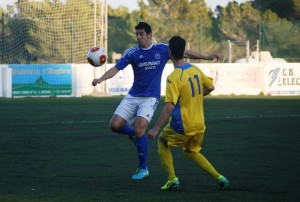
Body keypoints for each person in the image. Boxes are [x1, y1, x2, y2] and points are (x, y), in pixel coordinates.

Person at [92, 22, 219, 180]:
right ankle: (134, 135)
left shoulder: (162, 49)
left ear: (150, 35)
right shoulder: (132, 52)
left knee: (140, 129)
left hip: (151, 97)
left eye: (141, 34)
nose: (138, 37)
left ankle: (143, 168)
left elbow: (185, 53)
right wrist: (100, 79)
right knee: (114, 126)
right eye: (137, 34)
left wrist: (207, 57)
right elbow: (116, 68)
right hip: (133, 95)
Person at [147, 36, 229, 190]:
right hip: (199, 124)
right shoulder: (195, 69)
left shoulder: (173, 77)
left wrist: (156, 128)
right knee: (191, 151)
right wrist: (196, 96)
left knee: (162, 142)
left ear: (170, 53)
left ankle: (172, 179)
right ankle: (219, 177)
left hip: (182, 125)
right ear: (183, 52)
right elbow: (211, 87)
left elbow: (170, 106)